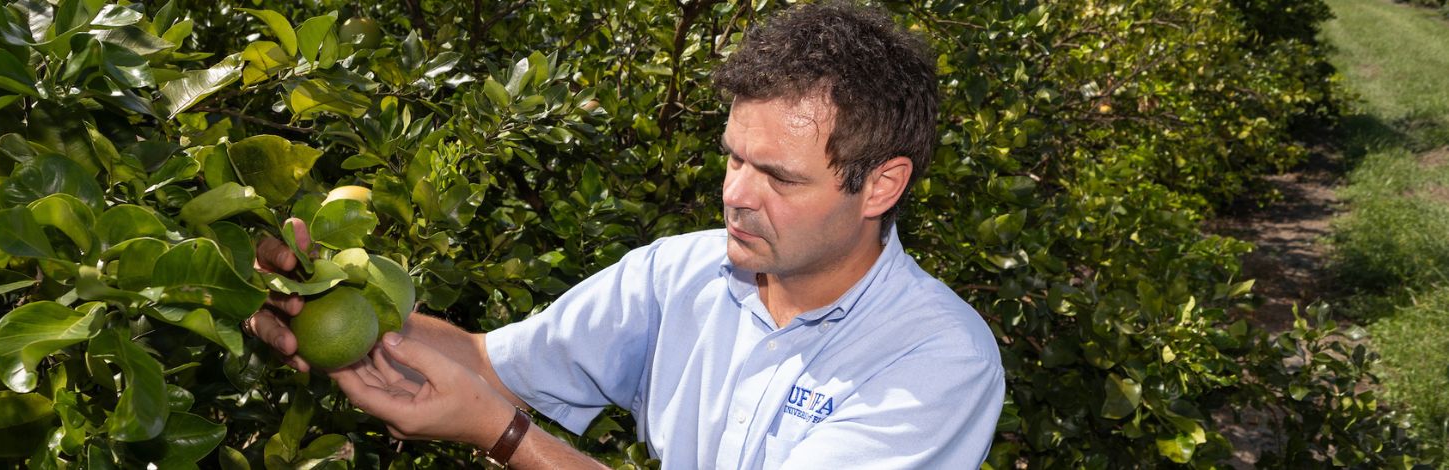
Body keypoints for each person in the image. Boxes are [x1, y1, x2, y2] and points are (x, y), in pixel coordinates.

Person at [246, 2, 1004, 468]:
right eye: (733, 158)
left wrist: (504, 436)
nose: (735, 196)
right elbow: (491, 363)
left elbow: (493, 407)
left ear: (882, 184)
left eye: (778, 177)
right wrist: (331, 298)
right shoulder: (683, 275)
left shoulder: (933, 360)